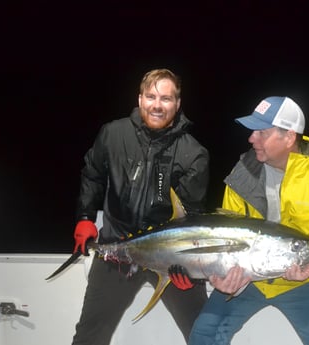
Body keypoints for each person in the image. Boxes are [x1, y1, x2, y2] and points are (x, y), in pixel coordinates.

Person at [185, 96, 309, 345]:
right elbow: (227, 235)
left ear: (289, 137)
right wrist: (221, 274)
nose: (251, 139)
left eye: (261, 133)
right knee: (204, 334)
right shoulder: (243, 173)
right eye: (252, 132)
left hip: (305, 283)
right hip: (249, 280)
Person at [71, 68, 210, 345]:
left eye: (166, 99)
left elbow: (190, 217)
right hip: (116, 250)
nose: (157, 105)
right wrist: (85, 217)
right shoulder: (112, 134)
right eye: (151, 96)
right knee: (89, 334)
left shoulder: (193, 153)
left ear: (177, 104)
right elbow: (93, 175)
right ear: (140, 99)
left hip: (170, 257)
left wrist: (190, 273)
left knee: (203, 334)